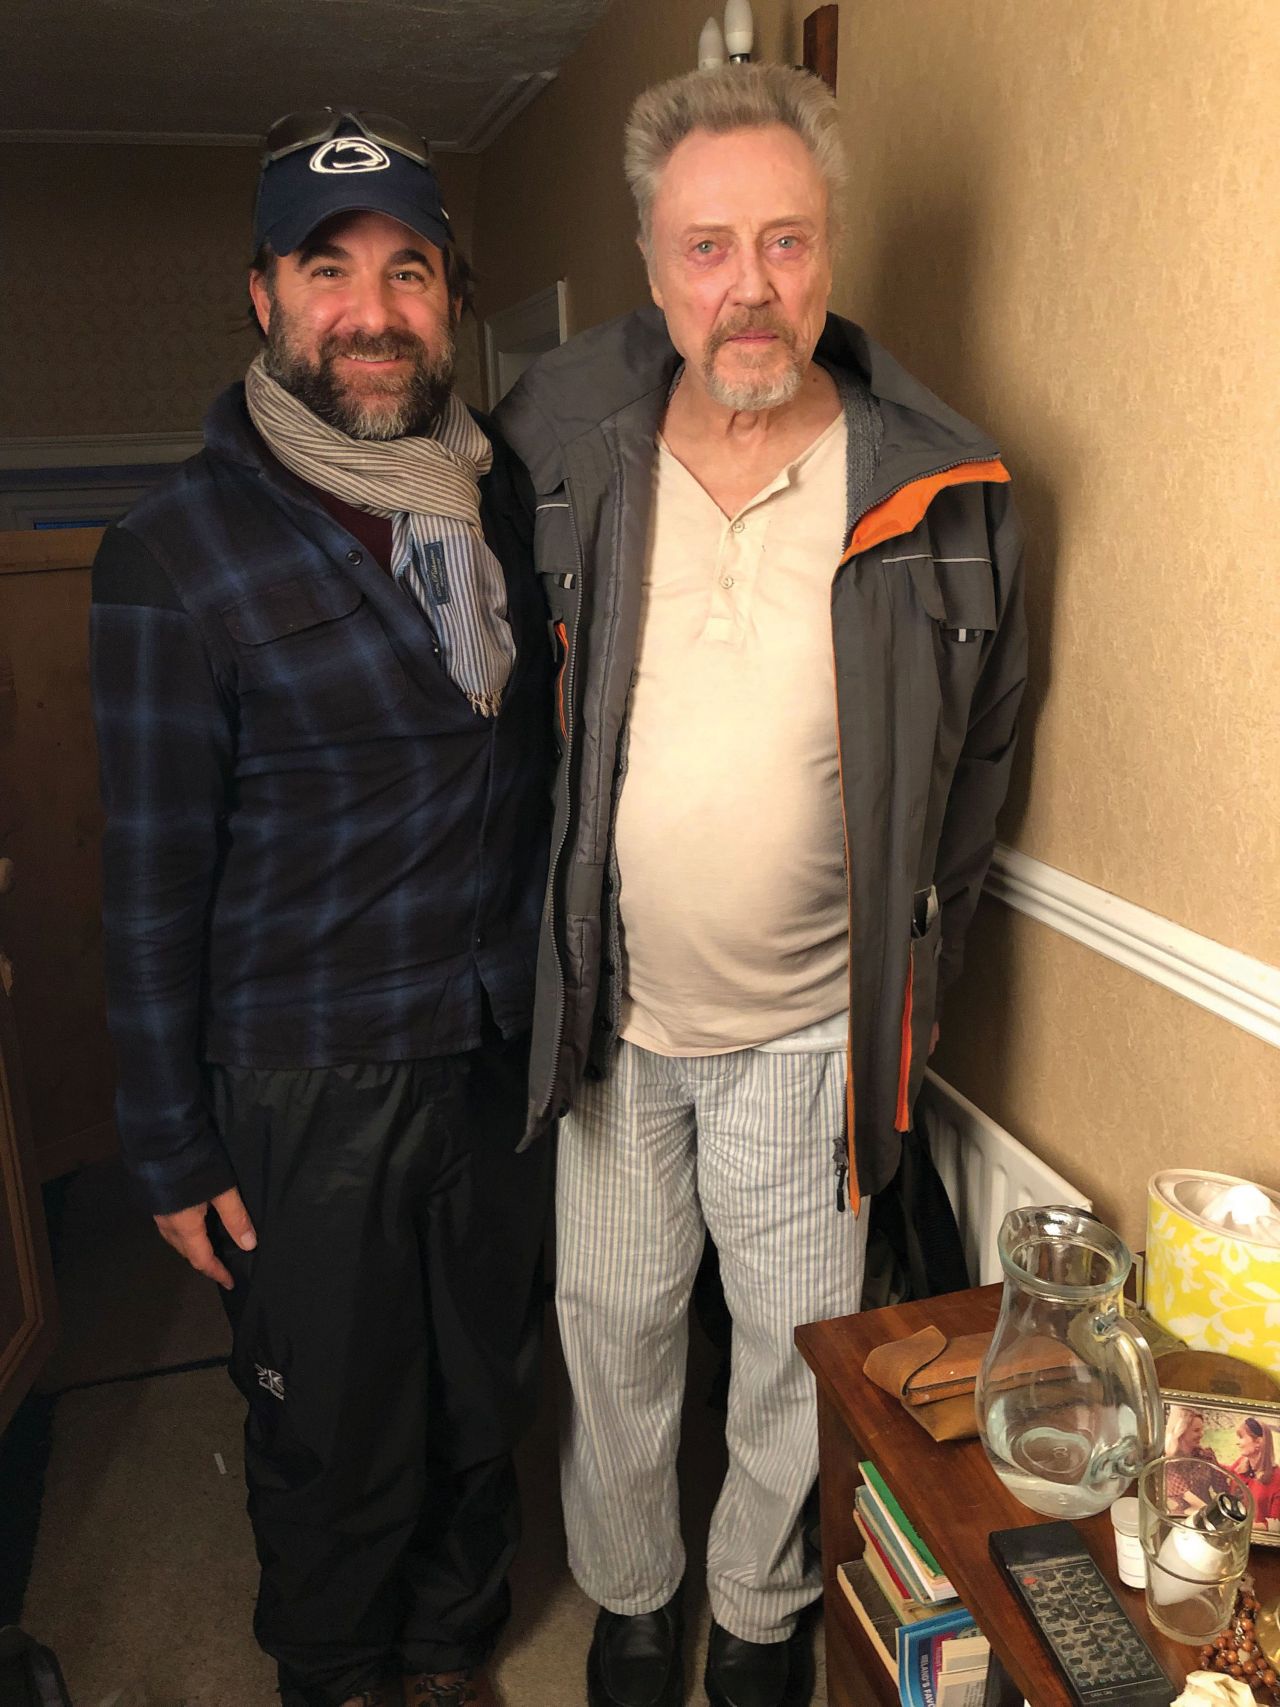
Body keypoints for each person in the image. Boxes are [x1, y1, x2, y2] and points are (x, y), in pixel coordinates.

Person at [497, 63, 1027, 1707]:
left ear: (830, 251)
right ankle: (636, 1600)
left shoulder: (945, 494)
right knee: (617, 1340)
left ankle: (755, 1609)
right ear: (655, 271)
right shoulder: (569, 450)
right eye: (709, 247)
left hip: (809, 1036)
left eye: (784, 242)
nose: (750, 286)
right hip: (615, 1020)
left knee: (798, 1367)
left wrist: (898, 969)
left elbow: (978, 781)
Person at [90, 110, 552, 1707]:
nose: (373, 308)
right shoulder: (174, 553)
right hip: (303, 1081)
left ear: (450, 295)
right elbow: (150, 878)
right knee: (332, 1425)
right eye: (328, 268)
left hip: (487, 1057)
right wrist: (168, 1142)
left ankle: (449, 1648)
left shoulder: (495, 510)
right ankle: (344, 1674)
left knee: (480, 1400)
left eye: (408, 269)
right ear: (264, 297)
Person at [1229, 1417, 1280, 1529]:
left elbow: (1276, 1526)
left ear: (1258, 1442)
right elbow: (1225, 1473)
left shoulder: (1277, 1478)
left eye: (1241, 1437)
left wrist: (1242, 1527)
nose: (1238, 1443)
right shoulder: (1240, 1465)